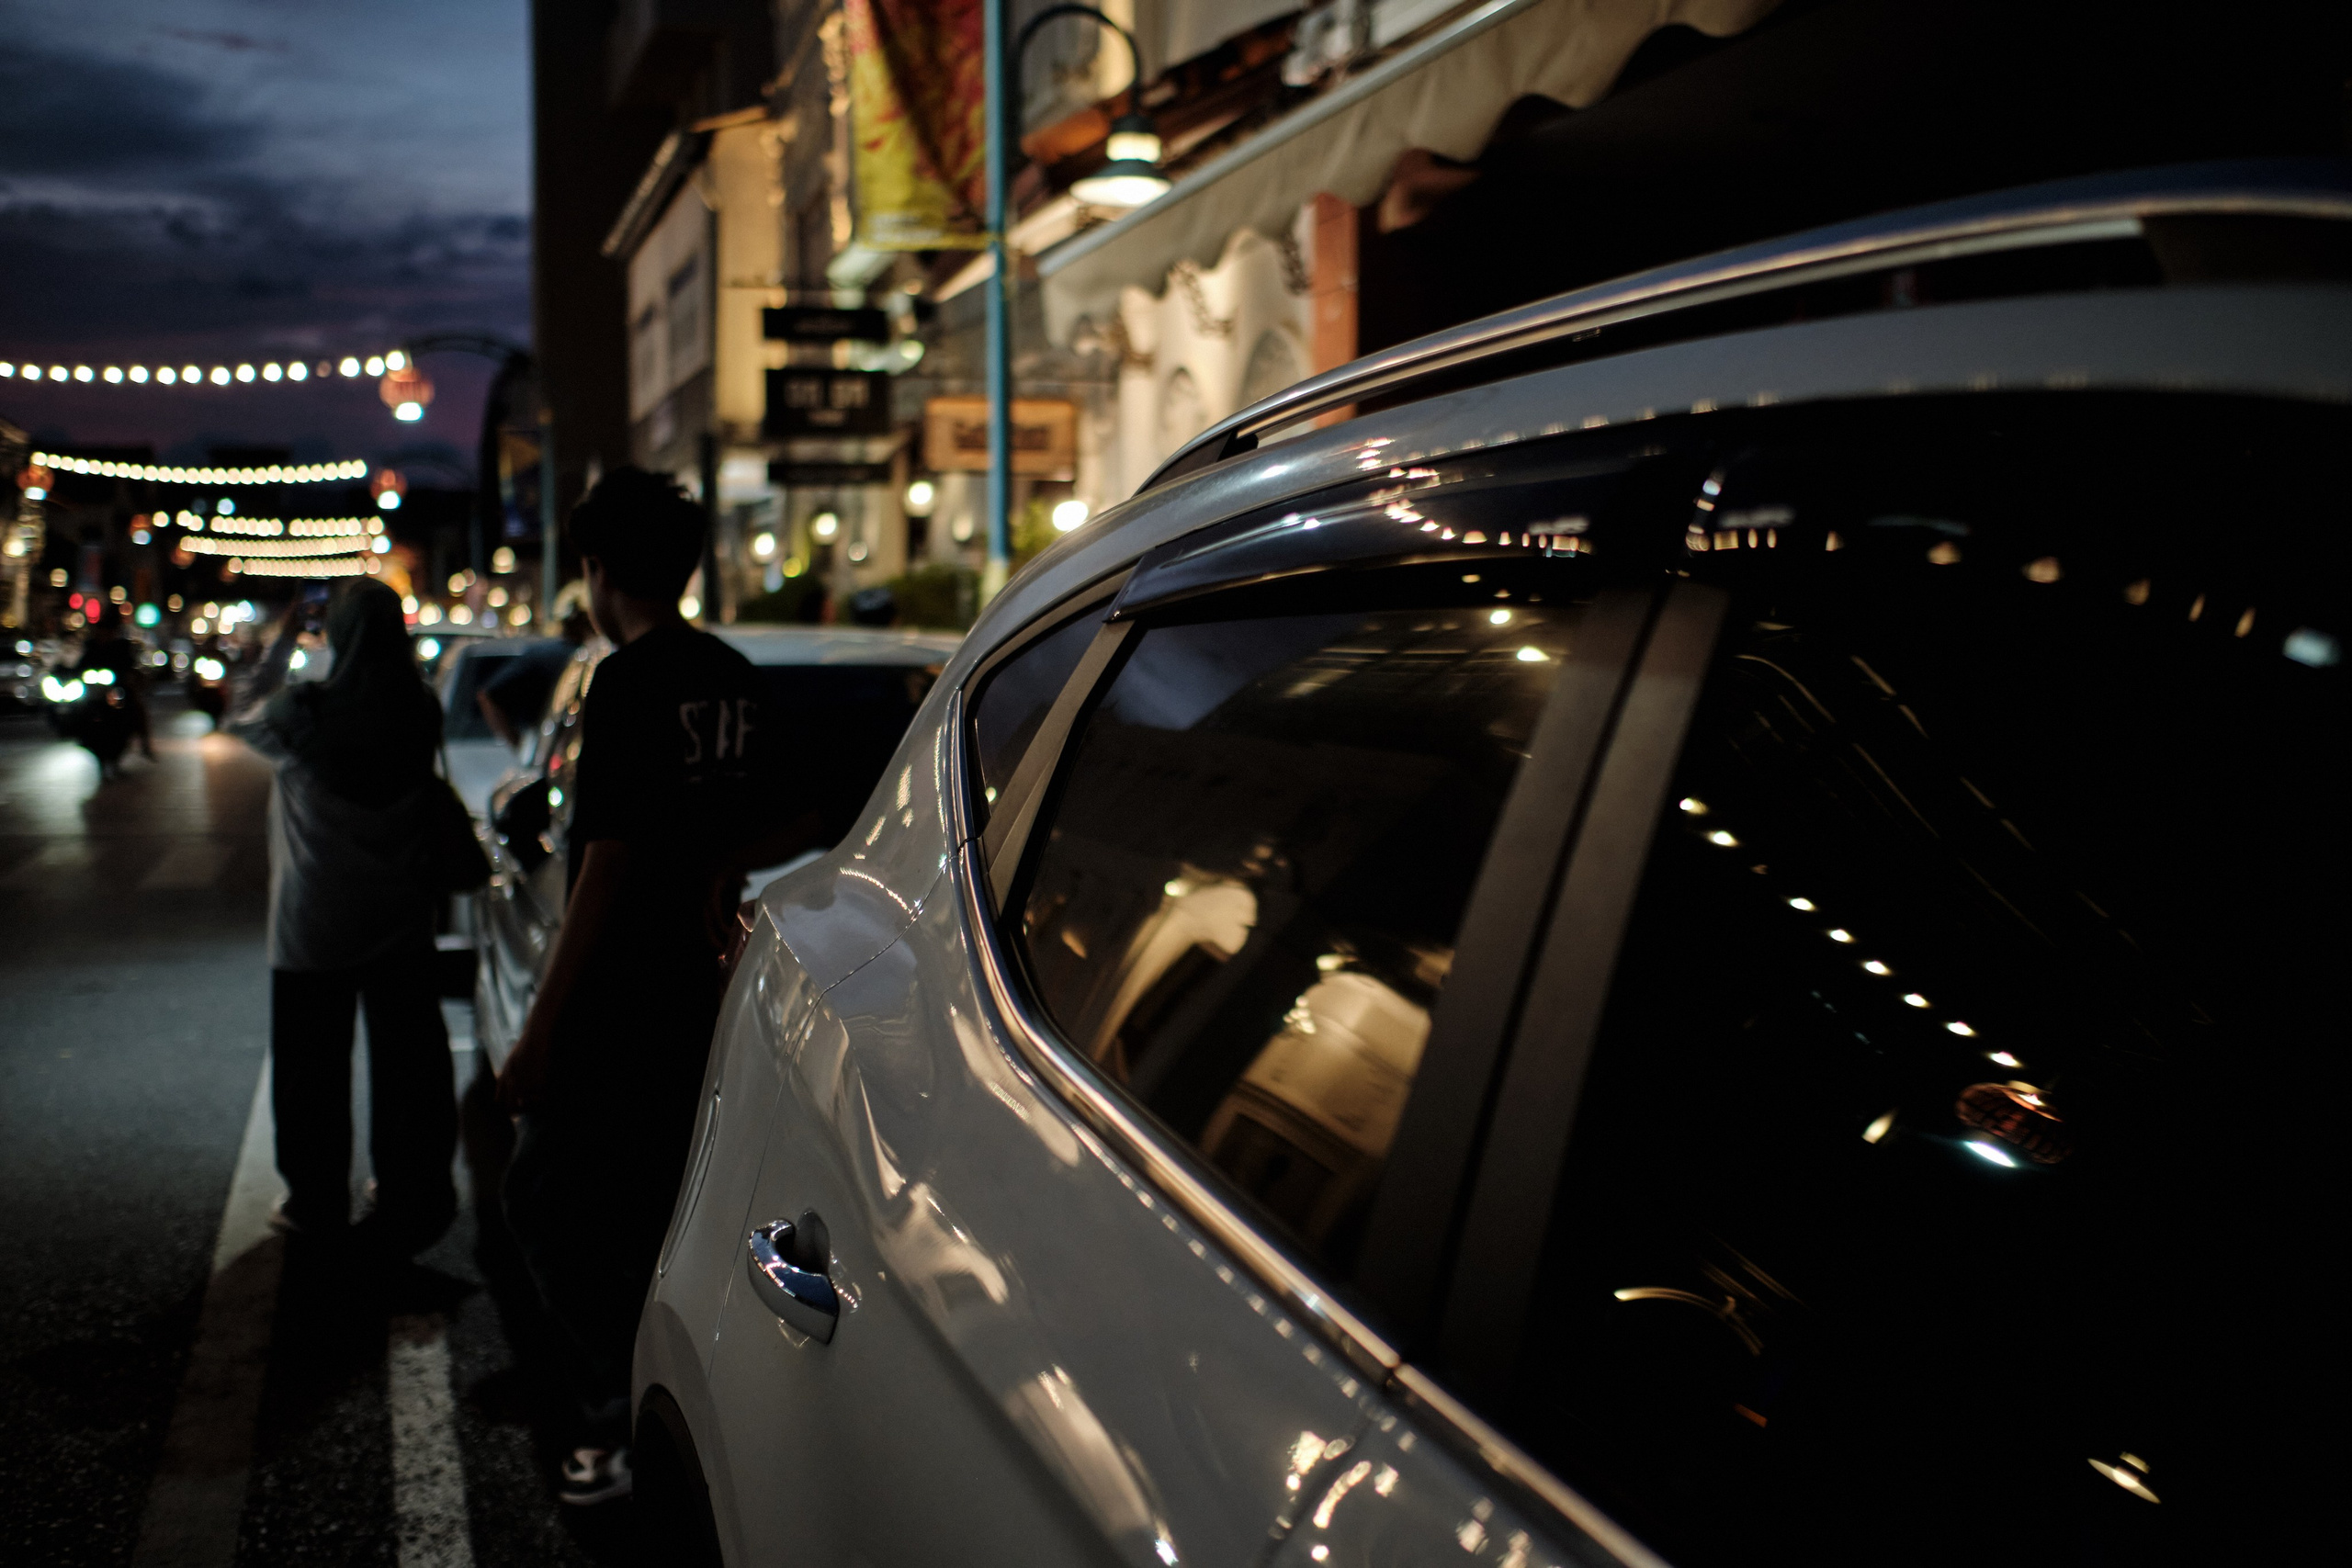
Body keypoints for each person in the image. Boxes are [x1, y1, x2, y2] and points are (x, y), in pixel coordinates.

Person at [496, 468, 774, 1507]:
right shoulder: (736, 675)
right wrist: (718, 868)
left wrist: (540, 1028)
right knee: (660, 1200)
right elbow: (794, 807)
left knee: (546, 1201)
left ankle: (616, 1413)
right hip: (703, 992)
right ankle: (656, 1406)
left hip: (617, 994)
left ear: (601, 571)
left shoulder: (625, 684)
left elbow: (602, 863)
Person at [230, 581, 458, 1256]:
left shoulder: (297, 717)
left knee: (311, 1073)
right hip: (399, 921)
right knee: (408, 1070)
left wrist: (280, 640)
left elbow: (238, 711)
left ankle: (314, 1198)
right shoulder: (418, 714)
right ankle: (409, 1191)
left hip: (312, 925)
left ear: (334, 633)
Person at [475, 589, 593, 748]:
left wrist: (517, 742)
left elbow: (487, 696)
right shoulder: (584, 657)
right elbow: (488, 696)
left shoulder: (544, 655)